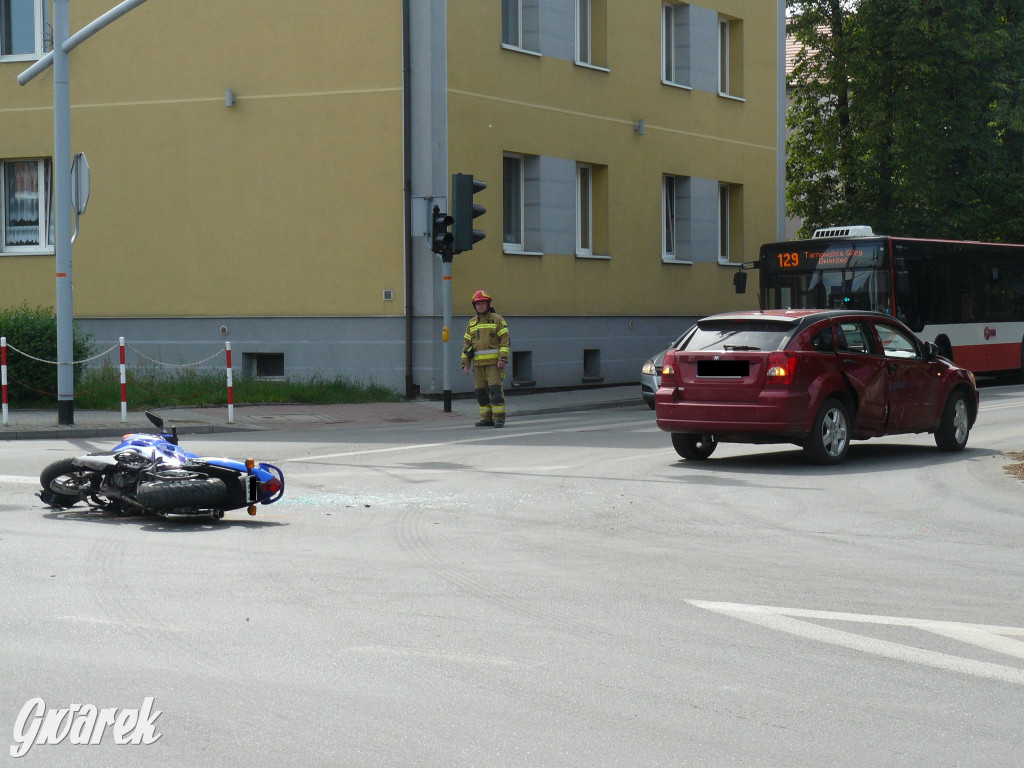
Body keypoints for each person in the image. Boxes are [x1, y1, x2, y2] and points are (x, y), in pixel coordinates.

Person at [461, 289, 510, 427]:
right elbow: (466, 345)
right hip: (478, 365)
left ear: (488, 304)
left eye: (482, 303)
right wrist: (465, 363)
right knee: (481, 393)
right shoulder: (471, 324)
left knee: (495, 391)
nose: (480, 306)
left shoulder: (498, 320)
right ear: (474, 306)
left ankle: (499, 418)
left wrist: (503, 359)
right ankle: (486, 418)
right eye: (477, 304)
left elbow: (505, 341)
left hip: (494, 364)